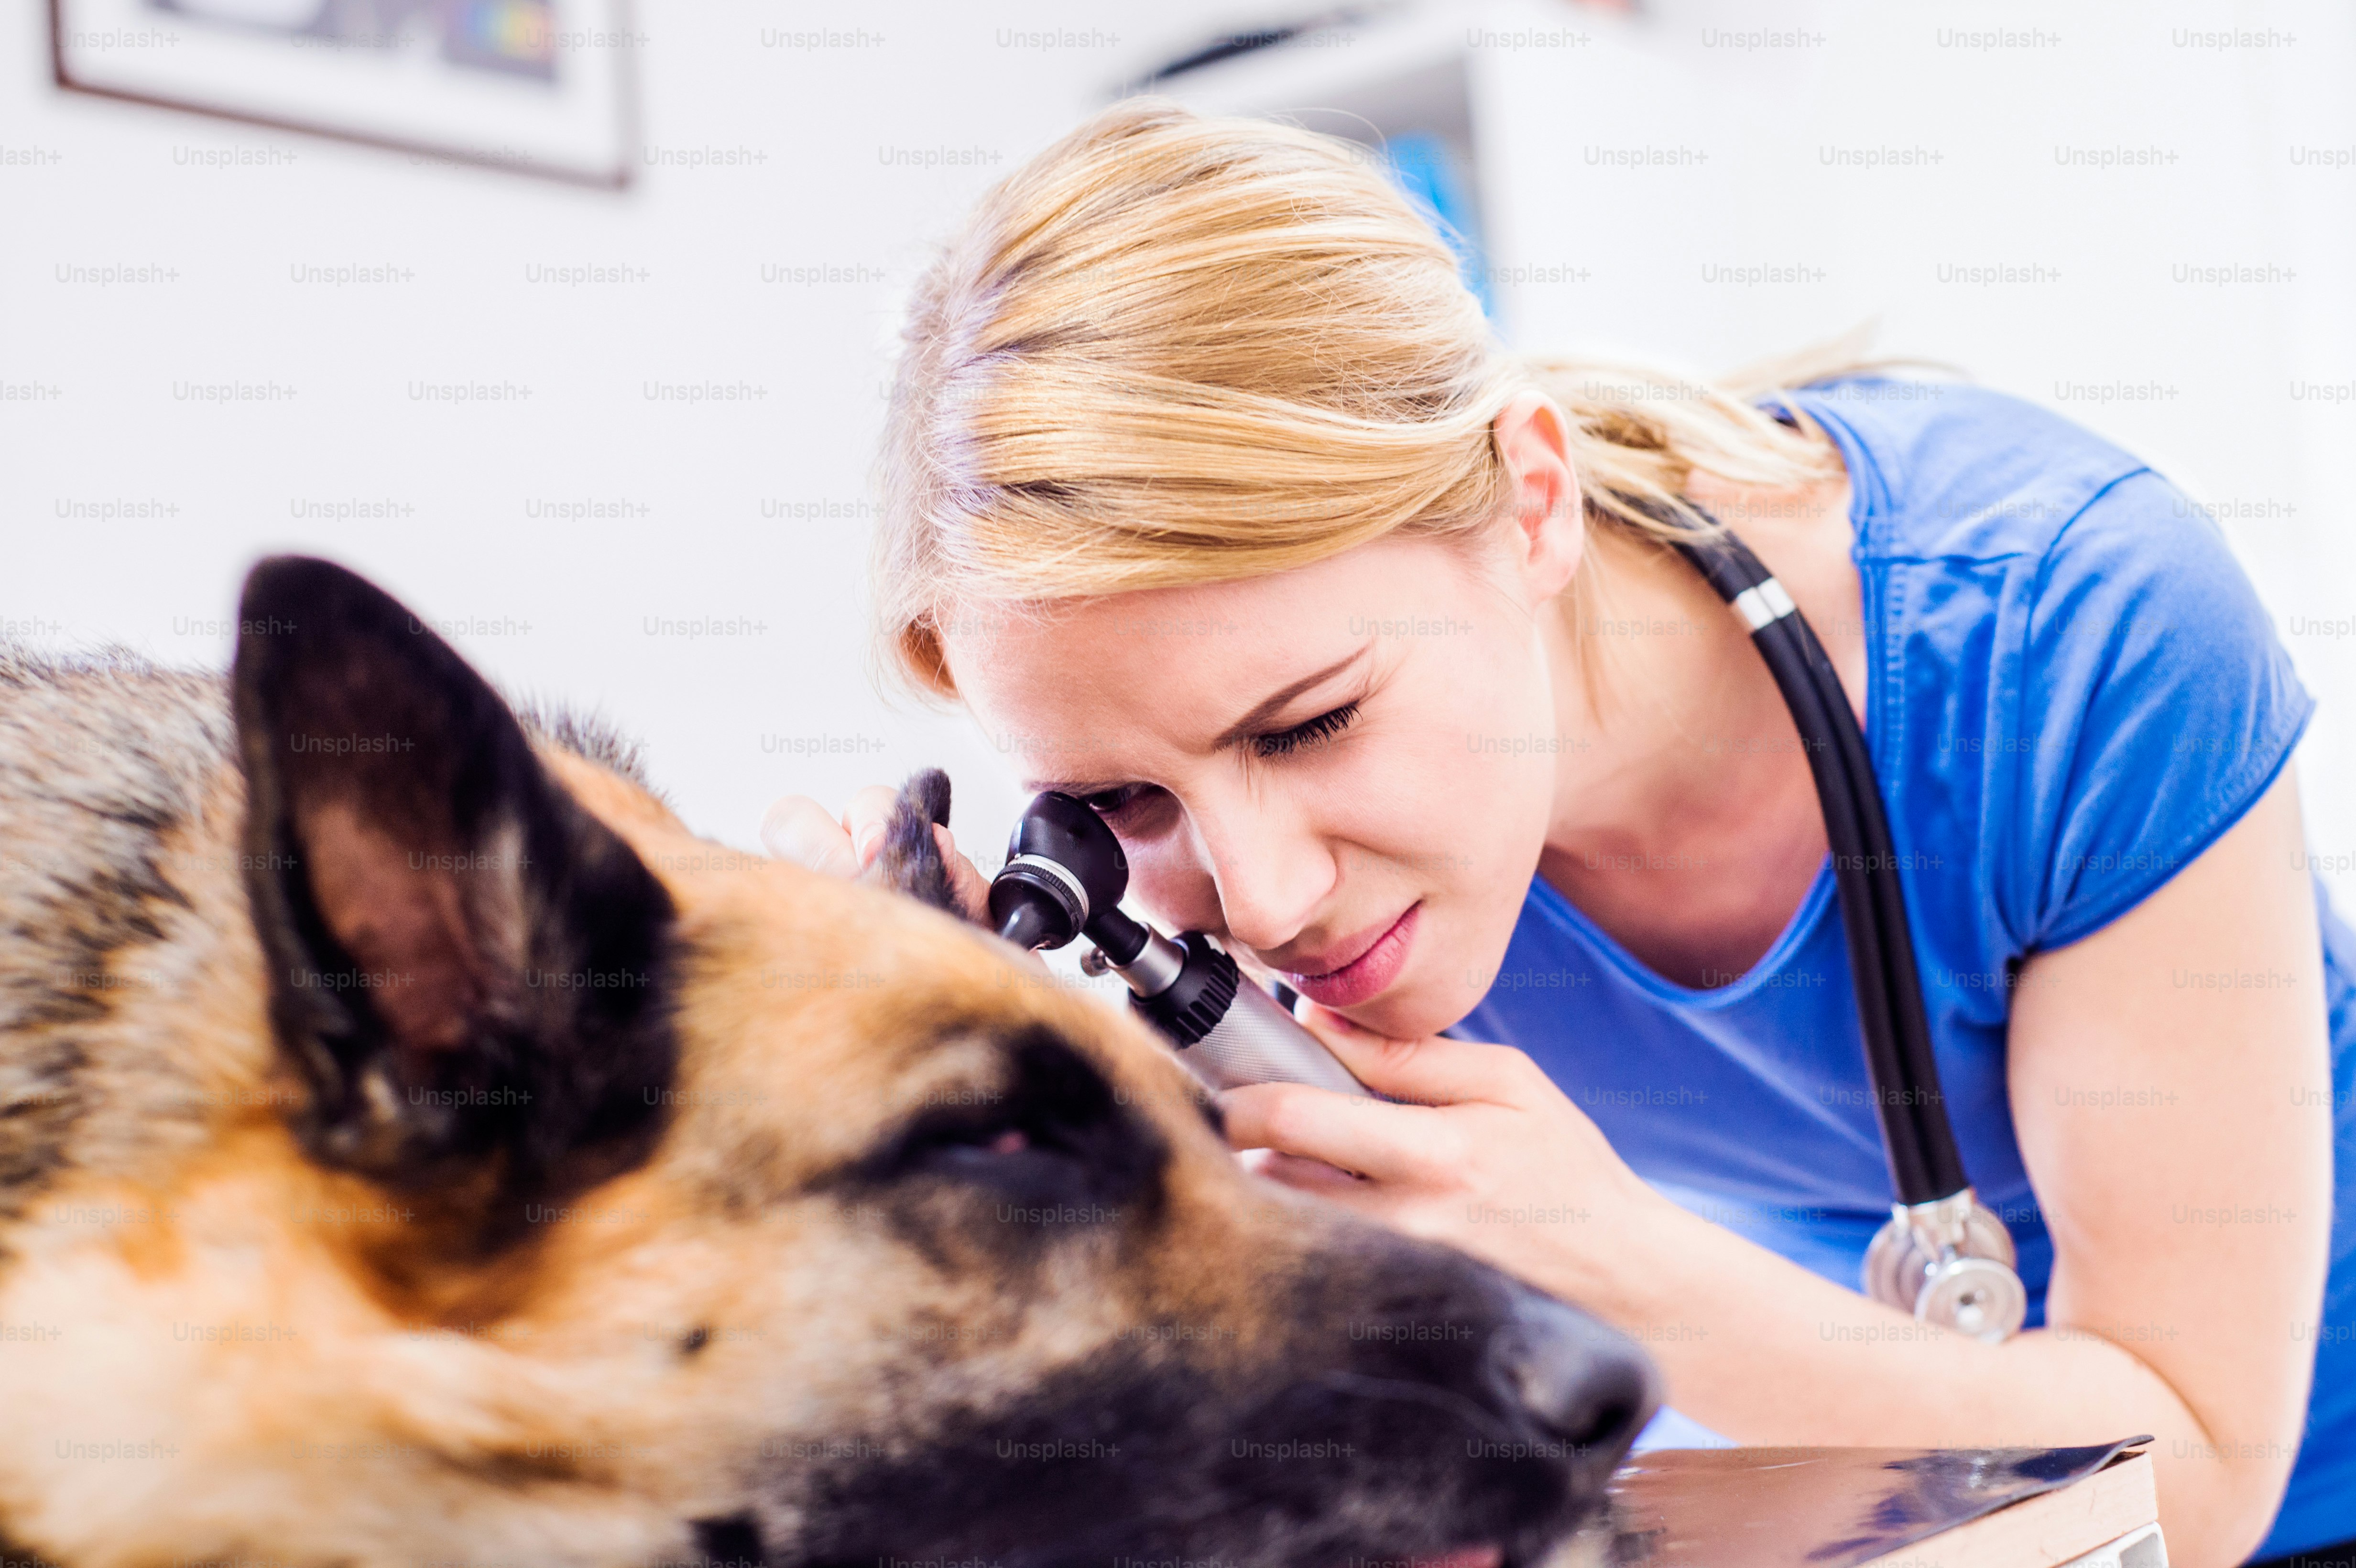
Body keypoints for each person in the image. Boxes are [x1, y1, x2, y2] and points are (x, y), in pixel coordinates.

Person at [763, 100, 2356, 1568]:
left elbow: (2195, 1473)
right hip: (1851, 1467)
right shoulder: (1259, 921)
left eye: (1309, 723)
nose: (1267, 895)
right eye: (1120, 802)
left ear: (1532, 503)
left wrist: (1607, 1258)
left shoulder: (2071, 629)